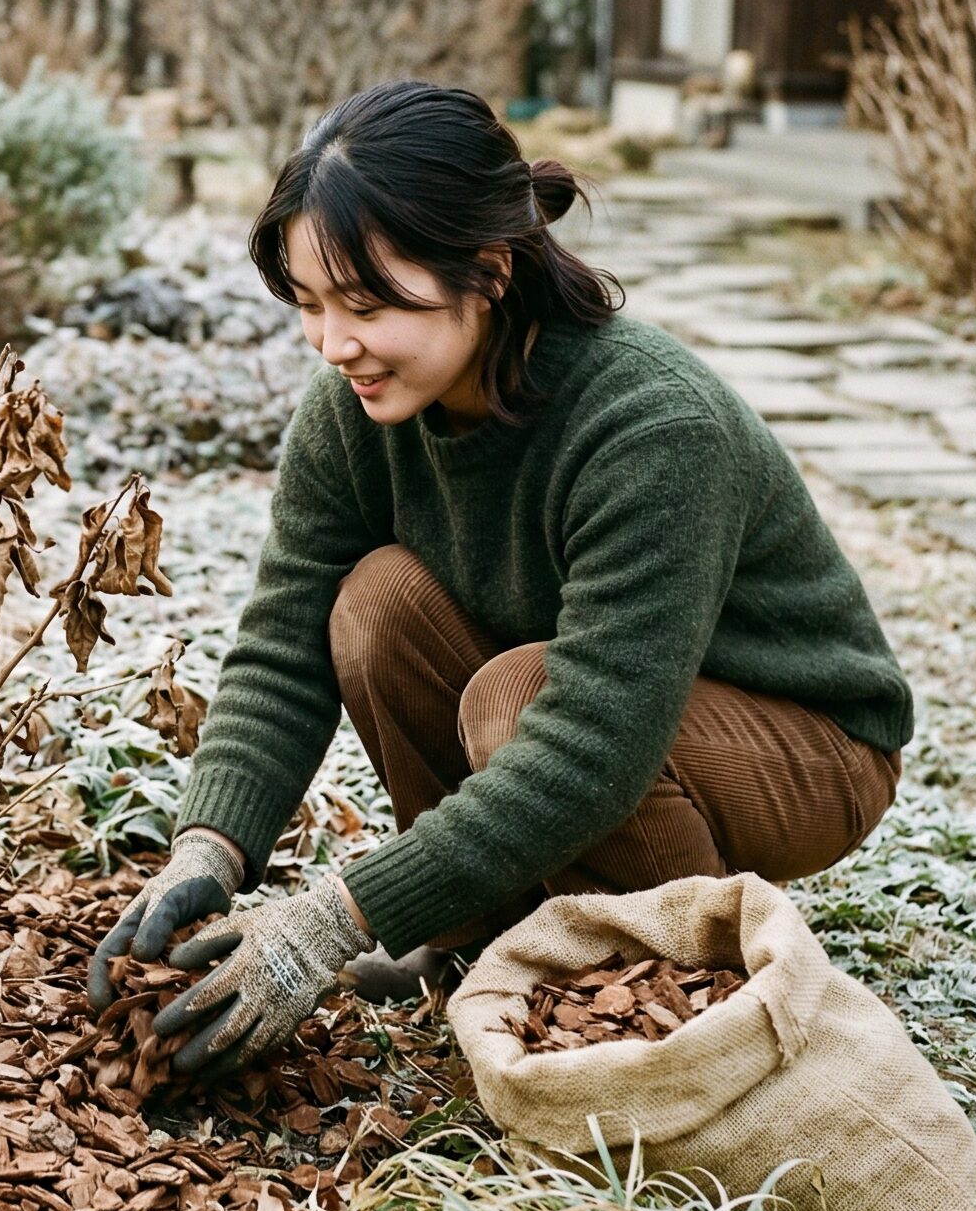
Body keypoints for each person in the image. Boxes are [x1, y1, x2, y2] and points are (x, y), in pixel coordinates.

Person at [87, 80, 913, 1080]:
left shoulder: (650, 427)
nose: (333, 343)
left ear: (487, 269)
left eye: (365, 304)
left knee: (518, 701)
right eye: (309, 305)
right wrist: (208, 846)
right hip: (598, 706)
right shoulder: (353, 412)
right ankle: (478, 934)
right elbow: (282, 641)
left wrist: (335, 919)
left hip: (805, 741)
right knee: (373, 602)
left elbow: (592, 740)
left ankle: (674, 989)